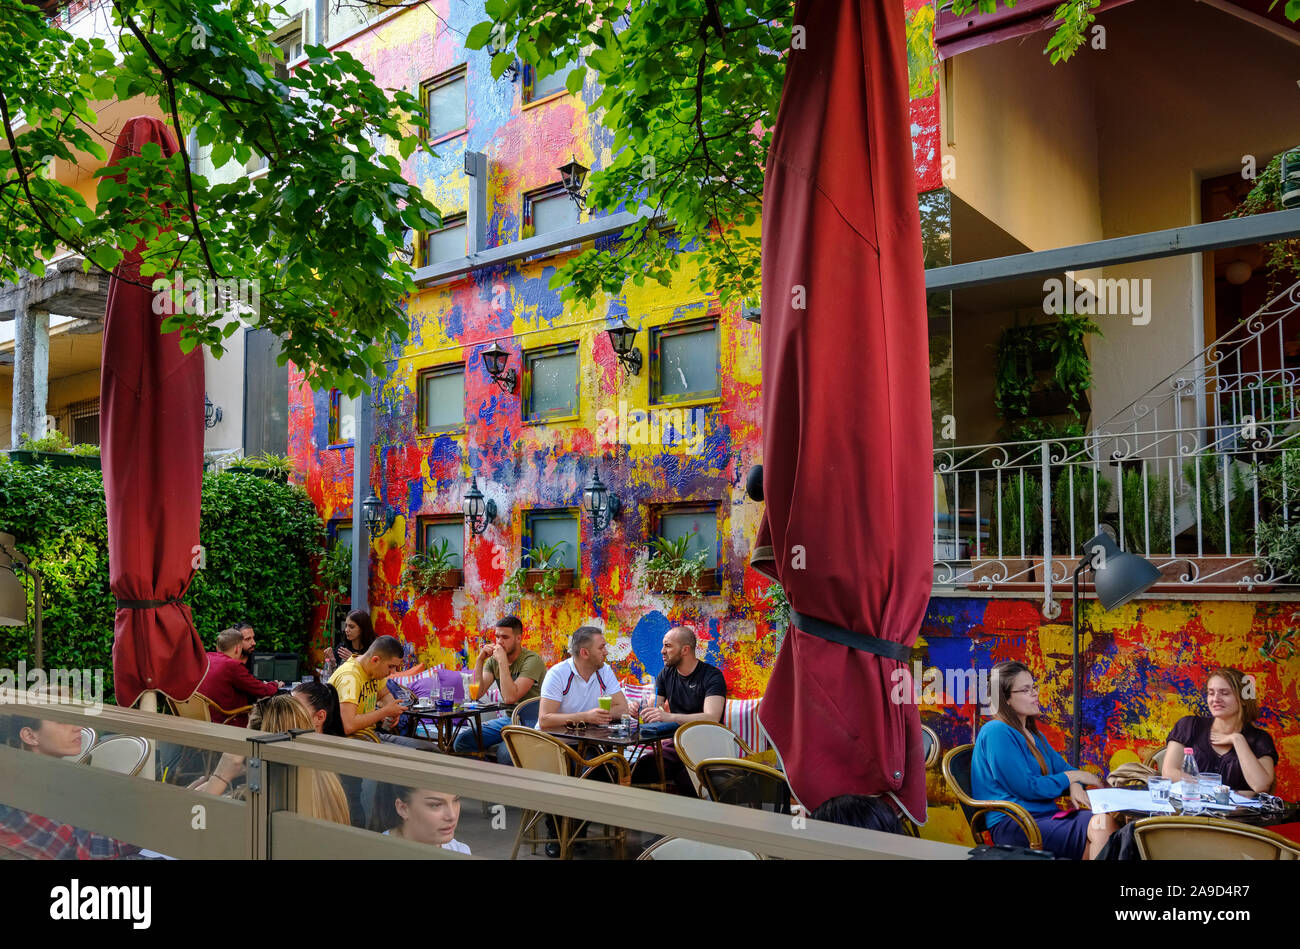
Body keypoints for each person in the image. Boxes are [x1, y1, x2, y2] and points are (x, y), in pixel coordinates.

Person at [970, 661, 1117, 860]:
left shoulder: (1033, 735)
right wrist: (1071, 777)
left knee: (1103, 829)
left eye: (1034, 687)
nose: (1035, 694)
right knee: (1103, 826)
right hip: (1016, 823)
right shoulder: (996, 732)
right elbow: (1026, 787)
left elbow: (1066, 769)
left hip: (1044, 817)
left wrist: (1074, 782)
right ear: (1006, 699)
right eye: (1025, 690)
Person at [193, 695, 350, 826]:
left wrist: (220, 777)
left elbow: (194, 827)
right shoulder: (330, 783)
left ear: (254, 742)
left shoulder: (252, 799)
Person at [1, 715, 142, 859]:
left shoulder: (37, 778)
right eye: (62, 720)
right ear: (30, 736)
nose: (78, 727)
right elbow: (85, 850)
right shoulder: (22, 795)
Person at [1160, 666, 1277, 794]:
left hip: (1237, 813)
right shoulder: (1189, 726)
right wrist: (1217, 793)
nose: (1215, 699)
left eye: (1225, 693)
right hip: (1189, 809)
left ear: (1243, 699)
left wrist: (1238, 740)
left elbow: (1261, 785)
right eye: (1211, 693)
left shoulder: (1260, 739)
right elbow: (1169, 773)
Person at [454, 615, 546, 762]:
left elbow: (510, 698)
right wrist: (480, 660)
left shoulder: (532, 660)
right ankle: (487, 779)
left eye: (505, 637)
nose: (499, 642)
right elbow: (476, 694)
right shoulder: (493, 661)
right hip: (508, 720)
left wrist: (502, 661)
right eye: (497, 637)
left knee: (506, 754)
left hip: (530, 721)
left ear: (518, 638)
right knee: (462, 741)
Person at [327, 635, 425, 748]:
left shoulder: (372, 670)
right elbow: (348, 725)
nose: (392, 672)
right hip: (350, 741)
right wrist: (385, 712)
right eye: (391, 666)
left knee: (428, 749)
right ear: (375, 660)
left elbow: (384, 694)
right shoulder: (350, 677)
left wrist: (392, 708)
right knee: (416, 756)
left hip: (370, 734)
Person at [537, 626, 628, 730]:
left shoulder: (605, 671)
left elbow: (624, 709)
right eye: (601, 648)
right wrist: (586, 717)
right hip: (553, 743)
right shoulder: (558, 673)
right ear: (584, 653)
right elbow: (544, 720)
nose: (606, 652)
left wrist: (597, 715)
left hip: (587, 741)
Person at [637, 626, 726, 725]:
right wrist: (639, 710)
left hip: (708, 737)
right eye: (663, 646)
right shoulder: (665, 673)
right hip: (677, 737)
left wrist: (670, 717)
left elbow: (712, 718)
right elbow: (653, 707)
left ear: (685, 650)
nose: (662, 651)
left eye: (668, 646)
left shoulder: (712, 676)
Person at [202, 627, 281, 726]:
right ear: (237, 648)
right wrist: (275, 684)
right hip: (229, 720)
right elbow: (263, 691)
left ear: (218, 647)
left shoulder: (207, 657)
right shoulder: (232, 665)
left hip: (208, 718)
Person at [371, 785, 470, 854]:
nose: (452, 815)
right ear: (403, 809)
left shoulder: (460, 851)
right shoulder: (375, 852)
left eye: (456, 800)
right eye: (436, 805)